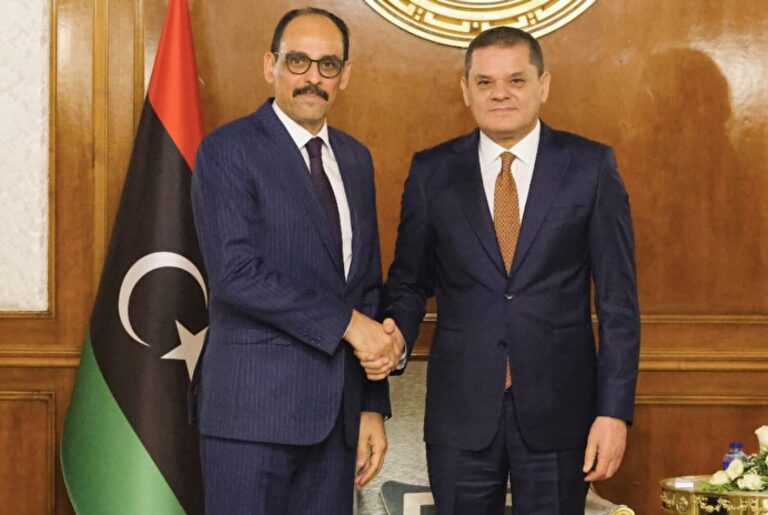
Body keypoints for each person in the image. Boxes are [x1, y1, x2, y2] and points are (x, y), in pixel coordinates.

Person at [384, 26, 640, 514]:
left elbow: (618, 304)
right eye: (485, 82)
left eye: (516, 80)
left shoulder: (590, 166)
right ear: (466, 90)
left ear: (543, 85)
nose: (499, 93)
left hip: (561, 415)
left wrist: (614, 412)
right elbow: (410, 282)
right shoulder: (432, 172)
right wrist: (395, 333)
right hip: (461, 415)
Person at [191, 8, 403, 514]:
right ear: (271, 65)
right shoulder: (227, 149)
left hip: (336, 426)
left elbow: (365, 287)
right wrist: (348, 324)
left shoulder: (355, 159)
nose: (313, 77)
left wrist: (370, 408)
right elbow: (236, 275)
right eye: (298, 61)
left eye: (328, 65)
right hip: (251, 419)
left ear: (344, 75)